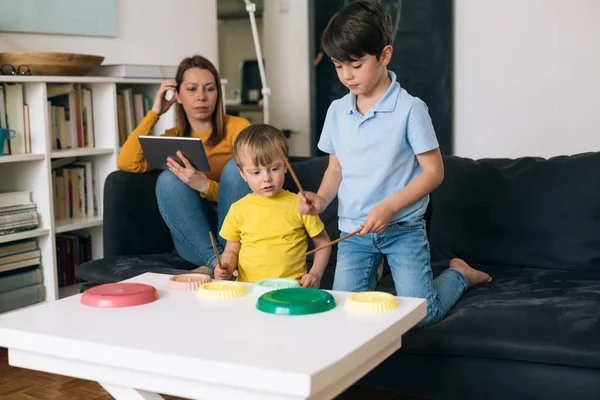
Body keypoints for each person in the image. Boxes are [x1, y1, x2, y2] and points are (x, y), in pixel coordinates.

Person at [298, 0, 491, 327]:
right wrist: (320, 200)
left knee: (423, 315)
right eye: (337, 65)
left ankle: (459, 273)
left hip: (402, 228)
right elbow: (336, 168)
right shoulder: (336, 112)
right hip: (354, 232)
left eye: (355, 65)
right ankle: (375, 268)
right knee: (345, 311)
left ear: (384, 55)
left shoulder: (410, 109)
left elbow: (434, 172)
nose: (346, 75)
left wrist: (388, 207)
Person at [117, 55, 251, 272]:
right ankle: (221, 265)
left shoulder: (239, 128)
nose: (201, 97)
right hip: (197, 237)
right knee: (168, 179)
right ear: (177, 95)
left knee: (236, 170)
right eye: (191, 89)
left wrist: (204, 185)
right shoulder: (173, 138)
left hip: (239, 233)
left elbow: (259, 187)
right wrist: (155, 112)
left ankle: (220, 266)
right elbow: (127, 162)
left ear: (218, 93)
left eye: (209, 89)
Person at [214, 124, 331, 288]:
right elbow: (232, 251)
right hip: (249, 289)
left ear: (285, 166)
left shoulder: (301, 204)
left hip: (291, 288)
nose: (266, 178)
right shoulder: (238, 209)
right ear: (242, 174)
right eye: (256, 172)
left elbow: (323, 243)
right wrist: (225, 267)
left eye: (274, 169)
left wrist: (315, 274)